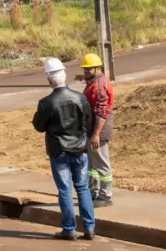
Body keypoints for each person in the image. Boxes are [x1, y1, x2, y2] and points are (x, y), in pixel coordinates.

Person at [32, 58, 96, 241]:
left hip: (58, 151)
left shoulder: (46, 103)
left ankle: (69, 229)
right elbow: (88, 121)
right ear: (65, 74)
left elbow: (38, 126)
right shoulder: (79, 97)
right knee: (83, 188)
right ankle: (89, 228)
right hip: (79, 149)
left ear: (49, 79)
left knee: (65, 190)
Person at [81, 53, 114, 207]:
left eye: (88, 69)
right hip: (91, 130)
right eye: (84, 69)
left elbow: (102, 111)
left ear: (97, 68)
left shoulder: (100, 84)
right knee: (92, 165)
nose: (86, 72)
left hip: (97, 131)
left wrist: (96, 134)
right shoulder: (93, 82)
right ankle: (93, 192)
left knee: (101, 163)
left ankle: (105, 196)